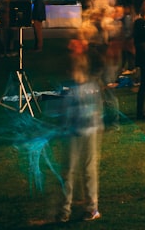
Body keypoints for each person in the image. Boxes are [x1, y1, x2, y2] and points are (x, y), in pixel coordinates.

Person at [57, 54, 103, 223]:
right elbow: (64, 110)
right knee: (69, 171)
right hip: (73, 133)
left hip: (87, 132)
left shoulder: (90, 87)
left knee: (87, 171)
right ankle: (65, 209)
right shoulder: (69, 88)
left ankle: (91, 208)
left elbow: (96, 110)